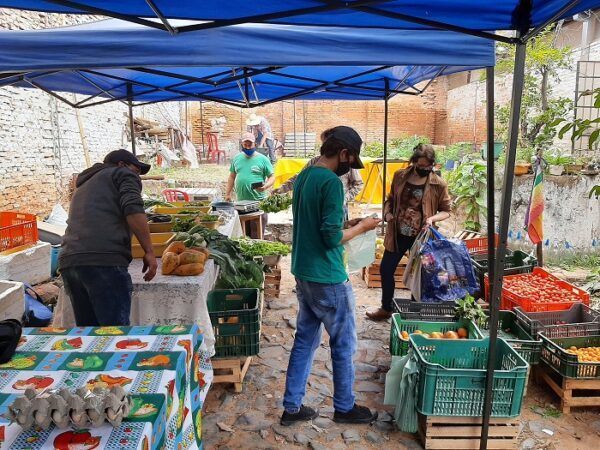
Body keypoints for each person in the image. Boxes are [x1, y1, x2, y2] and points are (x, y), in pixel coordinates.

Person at [281, 126, 381, 427]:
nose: (351, 165)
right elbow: (330, 239)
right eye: (351, 158)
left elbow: (319, 223)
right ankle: (344, 407)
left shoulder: (306, 176)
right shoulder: (332, 183)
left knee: (305, 341)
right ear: (343, 153)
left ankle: (292, 406)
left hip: (304, 273)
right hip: (328, 278)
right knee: (344, 344)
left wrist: (349, 221)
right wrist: (363, 227)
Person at [59, 149, 157, 326]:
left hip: (70, 260)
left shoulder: (85, 184)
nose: (137, 177)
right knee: (114, 334)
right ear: (122, 165)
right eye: (136, 171)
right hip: (103, 261)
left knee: (90, 334)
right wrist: (149, 251)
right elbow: (133, 209)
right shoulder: (122, 174)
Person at [366, 144, 451, 321]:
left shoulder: (438, 184)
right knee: (386, 269)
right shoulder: (400, 176)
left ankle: (413, 312)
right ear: (413, 162)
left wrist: (432, 219)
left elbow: (446, 210)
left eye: (428, 166)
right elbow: (390, 200)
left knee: (419, 274)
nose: (424, 169)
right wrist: (388, 213)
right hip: (397, 234)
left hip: (421, 238)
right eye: (420, 166)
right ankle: (386, 308)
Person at [275, 128, 364, 219]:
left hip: (337, 207)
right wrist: (362, 227)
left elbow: (358, 184)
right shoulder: (331, 181)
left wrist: (343, 199)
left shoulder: (346, 164)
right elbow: (333, 233)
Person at [225, 132, 275, 236]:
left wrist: (265, 186)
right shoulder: (237, 158)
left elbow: (272, 177)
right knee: (244, 235)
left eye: (250, 145)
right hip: (241, 203)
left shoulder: (263, 159)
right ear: (242, 144)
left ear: (255, 144)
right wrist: (228, 194)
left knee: (257, 234)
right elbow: (231, 177)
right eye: (245, 145)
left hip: (258, 203)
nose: (248, 147)